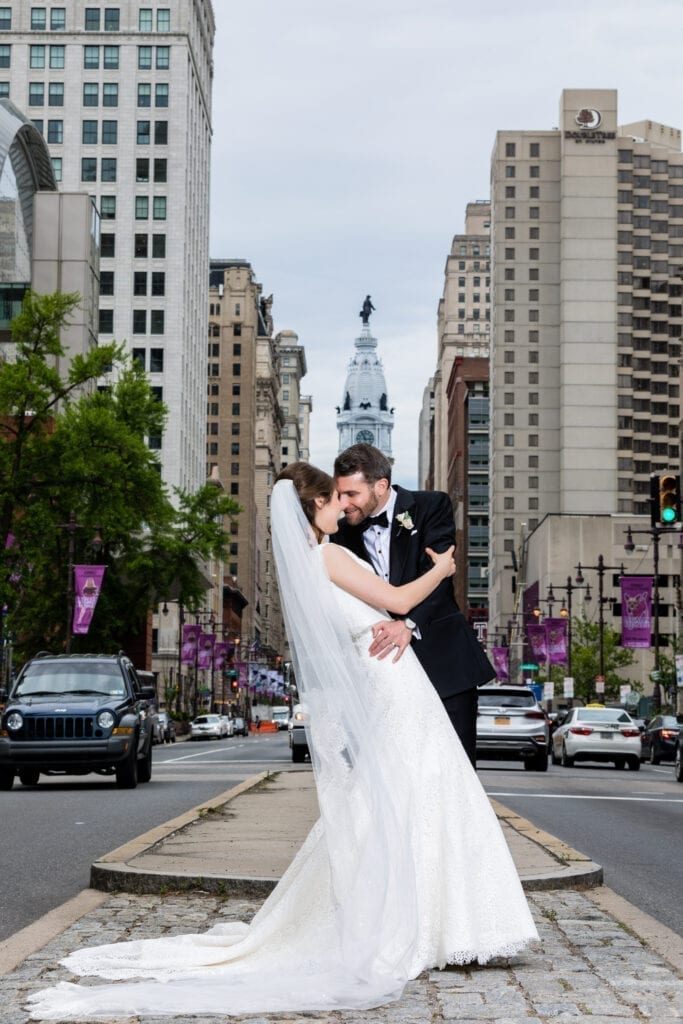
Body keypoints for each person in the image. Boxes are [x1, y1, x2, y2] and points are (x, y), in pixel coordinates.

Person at [26, 463, 536, 1021]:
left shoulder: (309, 566)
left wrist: (409, 610)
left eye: (347, 497)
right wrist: (442, 570)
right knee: (420, 788)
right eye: (334, 500)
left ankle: (434, 920)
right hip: (392, 682)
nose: (343, 508)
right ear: (313, 507)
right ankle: (438, 924)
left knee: (405, 793)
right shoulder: (329, 556)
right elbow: (396, 598)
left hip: (386, 678)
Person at [333, 443, 495, 766]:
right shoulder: (340, 537)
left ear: (381, 486)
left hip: (445, 666)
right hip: (386, 676)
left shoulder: (431, 506)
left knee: (456, 770)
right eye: (339, 494)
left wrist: (407, 624)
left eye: (351, 494)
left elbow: (440, 577)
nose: (343, 503)